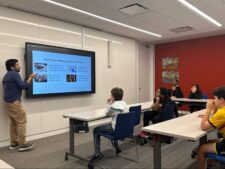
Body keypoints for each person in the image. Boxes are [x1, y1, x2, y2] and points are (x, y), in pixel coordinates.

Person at [2, 59, 36, 152]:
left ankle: (14, 143)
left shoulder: (6, 75)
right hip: (14, 101)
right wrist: (30, 78)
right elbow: (22, 86)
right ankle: (23, 144)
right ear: (12, 67)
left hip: (7, 102)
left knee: (13, 122)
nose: (19, 66)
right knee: (22, 120)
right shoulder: (14, 74)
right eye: (17, 64)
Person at [90, 87, 128, 162]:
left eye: (111, 96)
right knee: (112, 124)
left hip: (115, 130)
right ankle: (117, 147)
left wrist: (108, 103)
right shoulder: (125, 105)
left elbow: (107, 113)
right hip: (124, 130)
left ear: (113, 97)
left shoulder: (113, 107)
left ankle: (97, 154)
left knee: (95, 130)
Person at [197, 86, 225, 169]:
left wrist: (208, 109)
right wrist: (213, 109)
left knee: (200, 149)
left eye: (215, 98)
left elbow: (203, 127)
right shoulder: (222, 110)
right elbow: (214, 118)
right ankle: (208, 165)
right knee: (208, 141)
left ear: (221, 100)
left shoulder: (223, 113)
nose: (213, 100)